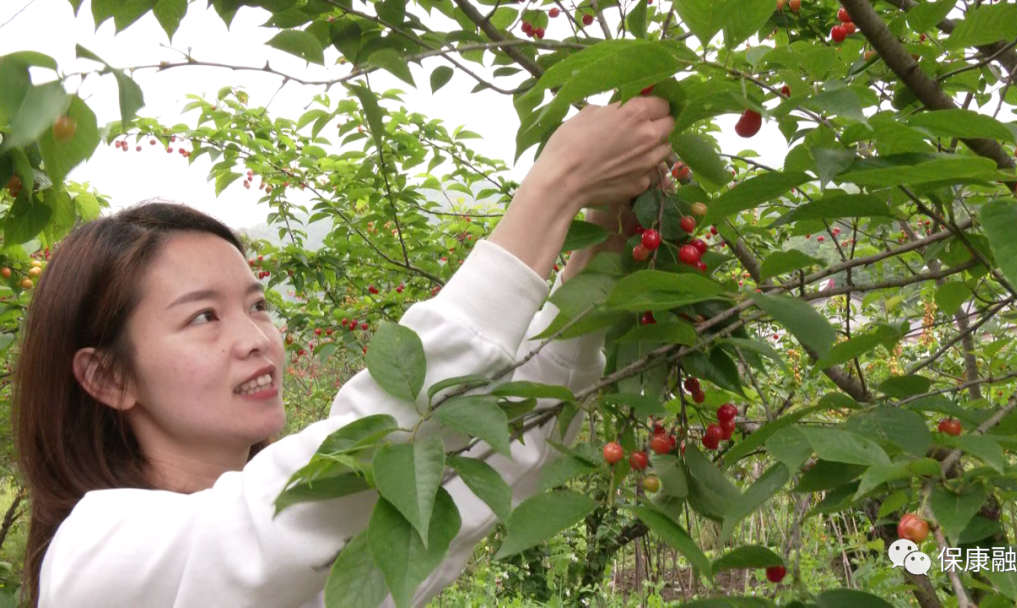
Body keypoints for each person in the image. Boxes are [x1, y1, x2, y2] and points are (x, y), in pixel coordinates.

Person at [12, 96, 674, 607]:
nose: (255, 339)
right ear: (106, 376)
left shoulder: (326, 552)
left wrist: (597, 261)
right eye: (204, 316)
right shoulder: (98, 555)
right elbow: (359, 452)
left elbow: (503, 448)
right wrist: (554, 186)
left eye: (259, 305)